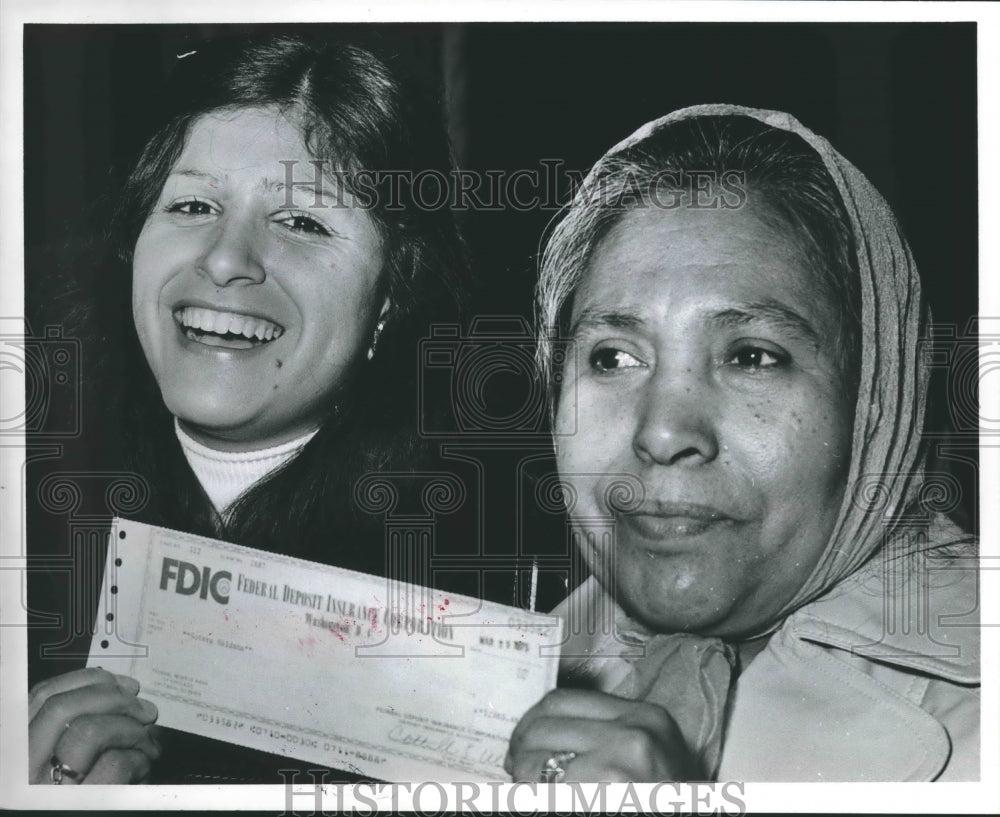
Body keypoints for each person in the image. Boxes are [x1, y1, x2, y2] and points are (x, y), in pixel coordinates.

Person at [27, 32, 469, 784]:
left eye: (302, 222)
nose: (227, 258)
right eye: (193, 204)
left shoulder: (473, 596)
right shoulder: (30, 532)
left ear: (391, 297)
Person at [506, 105, 979, 782]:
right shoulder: (505, 672)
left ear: (875, 402)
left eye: (752, 356)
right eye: (612, 357)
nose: (663, 432)